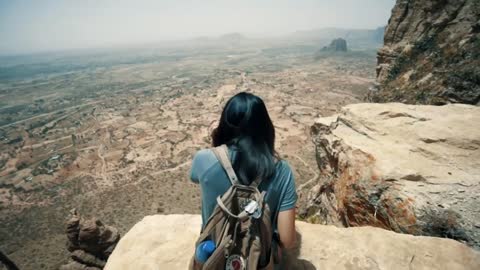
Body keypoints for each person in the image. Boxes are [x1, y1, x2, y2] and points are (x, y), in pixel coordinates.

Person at [190, 92, 297, 267]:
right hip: (258, 262)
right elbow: (288, 240)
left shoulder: (203, 159)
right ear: (265, 127)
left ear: (225, 124)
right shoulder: (281, 171)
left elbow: (194, 177)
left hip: (212, 256)